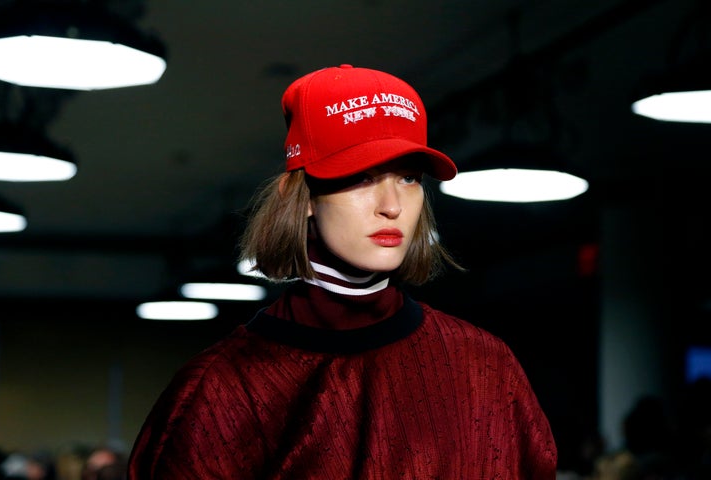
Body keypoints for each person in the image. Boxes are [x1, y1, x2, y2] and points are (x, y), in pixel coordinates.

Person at [127, 64, 557, 479]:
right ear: (304, 195)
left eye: (408, 178)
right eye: (362, 177)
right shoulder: (220, 392)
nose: (391, 205)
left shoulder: (483, 367)